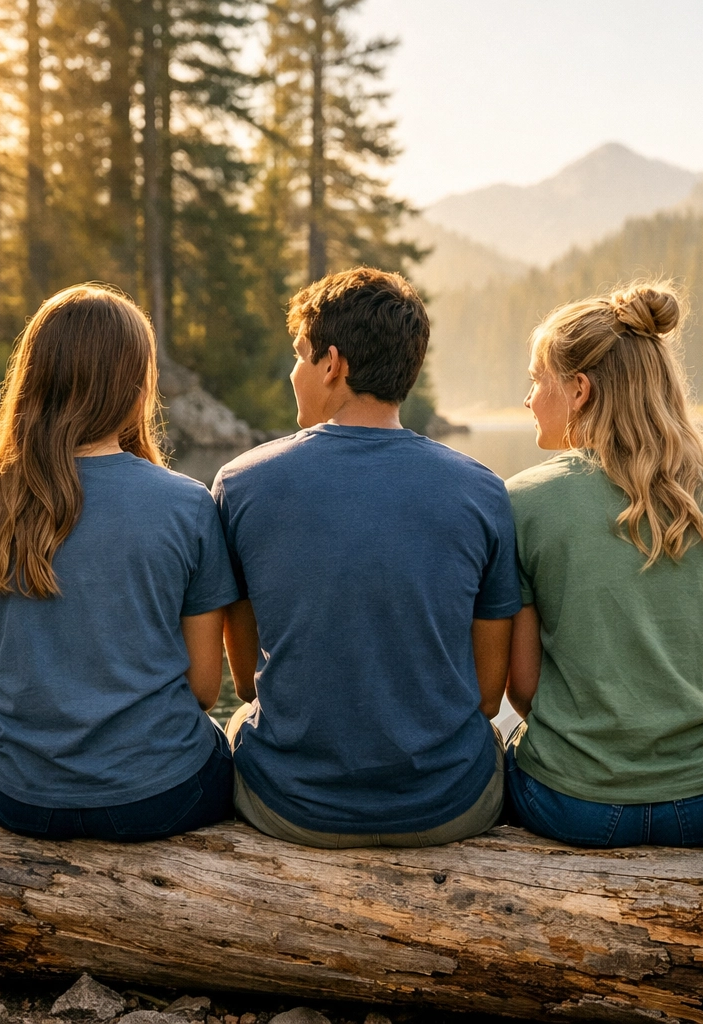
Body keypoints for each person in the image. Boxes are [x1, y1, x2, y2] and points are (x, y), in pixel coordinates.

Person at [214, 267, 523, 849]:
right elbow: (486, 696)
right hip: (449, 805)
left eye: (300, 355)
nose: (293, 373)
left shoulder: (242, 484)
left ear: (333, 364)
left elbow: (247, 682)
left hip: (291, 805)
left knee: (236, 725)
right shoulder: (482, 491)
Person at [0, 285, 238, 841]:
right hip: (160, 796)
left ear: (34, 378)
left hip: (17, 795)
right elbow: (203, 689)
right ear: (137, 385)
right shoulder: (188, 504)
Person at [504, 281, 703, 849]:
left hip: (572, 805)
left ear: (579, 390)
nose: (528, 399)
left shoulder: (520, 504)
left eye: (537, 380)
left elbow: (525, 692)